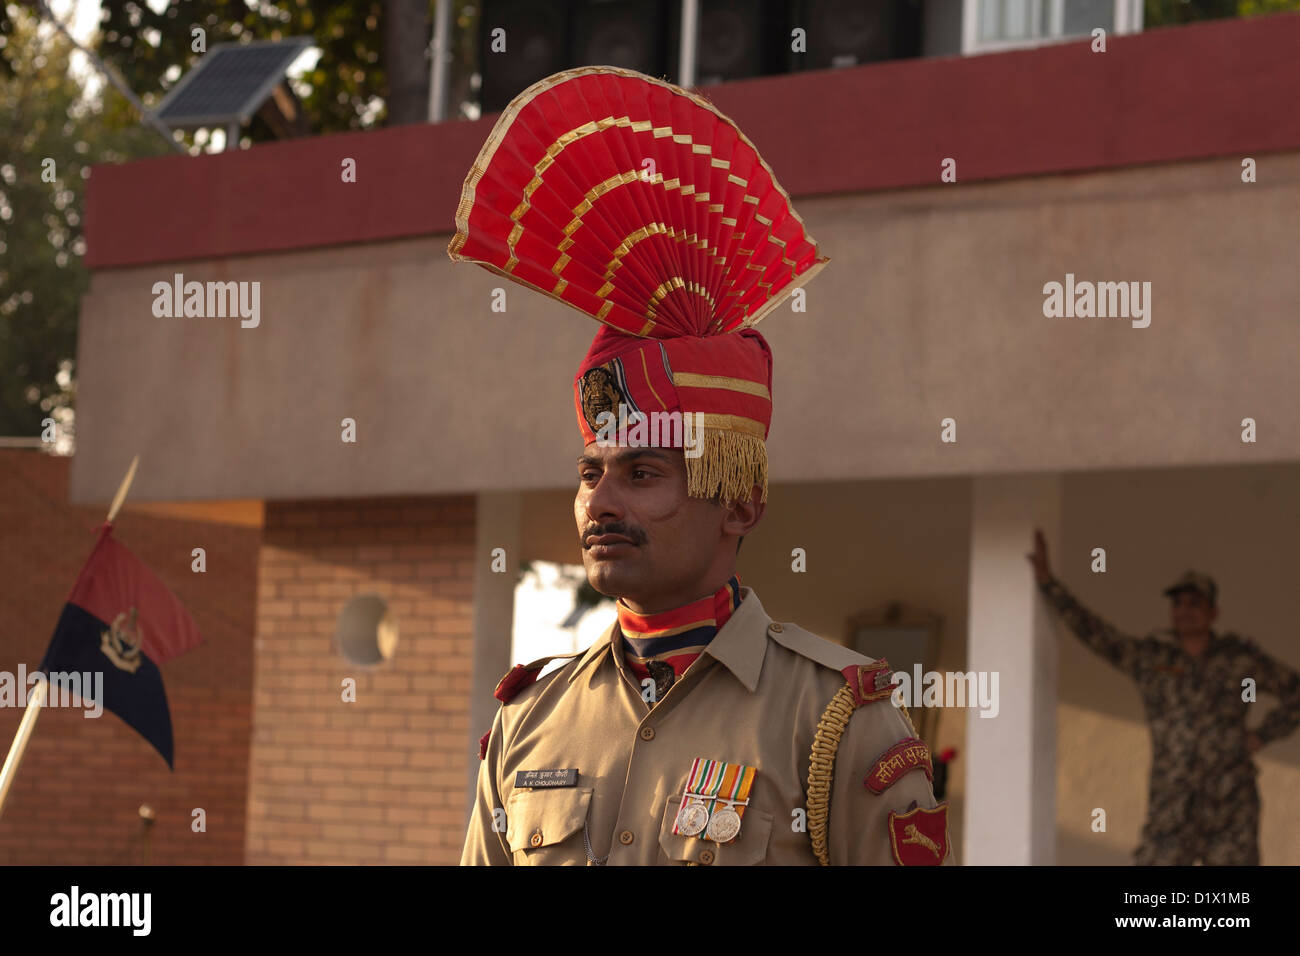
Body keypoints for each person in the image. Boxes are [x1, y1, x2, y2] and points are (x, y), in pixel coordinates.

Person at [450, 66, 953, 866]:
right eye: (590, 473)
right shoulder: (527, 717)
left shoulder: (836, 719)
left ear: (741, 505)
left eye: (641, 474)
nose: (600, 503)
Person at [1028, 529, 1300, 865]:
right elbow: (1098, 635)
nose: (1185, 610)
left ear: (1213, 612)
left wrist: (1263, 734)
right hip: (1172, 806)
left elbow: (1296, 691)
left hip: (1230, 805)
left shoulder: (1239, 659)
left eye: (1195, 603)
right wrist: (1048, 584)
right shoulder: (1153, 659)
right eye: (1178, 603)